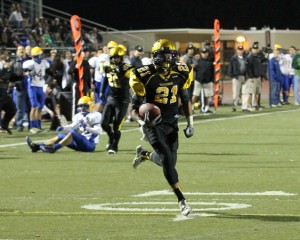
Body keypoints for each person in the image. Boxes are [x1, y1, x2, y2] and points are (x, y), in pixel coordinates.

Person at [129, 39, 194, 216]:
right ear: (154, 57)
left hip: (172, 121)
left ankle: (145, 154)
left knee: (170, 161)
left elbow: (186, 99)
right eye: (162, 56)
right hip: (153, 123)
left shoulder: (182, 72)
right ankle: (182, 200)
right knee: (166, 158)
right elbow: (133, 108)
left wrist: (190, 123)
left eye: (169, 56)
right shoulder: (144, 74)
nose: (166, 60)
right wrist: (143, 123)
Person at [26, 96, 102, 153]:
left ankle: (54, 148)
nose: (82, 108)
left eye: (84, 106)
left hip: (89, 144)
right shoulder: (79, 116)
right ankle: (37, 147)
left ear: (90, 105)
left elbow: (99, 131)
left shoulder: (95, 115)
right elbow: (72, 126)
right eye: (81, 106)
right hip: (80, 144)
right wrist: (63, 128)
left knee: (73, 133)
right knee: (61, 136)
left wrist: (88, 129)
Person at [100, 46, 133, 154]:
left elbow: (125, 85)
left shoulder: (126, 68)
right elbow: (105, 78)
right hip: (111, 97)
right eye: (114, 57)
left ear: (121, 58)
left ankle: (114, 146)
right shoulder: (107, 66)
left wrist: (119, 73)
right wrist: (101, 91)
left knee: (116, 125)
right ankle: (111, 138)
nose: (116, 59)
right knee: (103, 123)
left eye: (118, 57)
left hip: (122, 99)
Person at [23, 46, 50, 133]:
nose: (40, 57)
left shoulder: (44, 63)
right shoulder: (30, 63)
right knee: (34, 106)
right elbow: (24, 70)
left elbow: (48, 68)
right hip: (32, 86)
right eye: (39, 55)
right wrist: (28, 72)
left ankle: (38, 126)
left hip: (40, 86)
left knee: (40, 107)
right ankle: (32, 127)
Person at [192, 48, 215, 114]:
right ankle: (191, 108)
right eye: (203, 53)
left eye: (205, 53)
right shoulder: (198, 61)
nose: (204, 54)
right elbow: (195, 70)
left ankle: (206, 108)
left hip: (208, 82)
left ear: (207, 53)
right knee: (195, 95)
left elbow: (212, 73)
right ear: (201, 53)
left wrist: (212, 81)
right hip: (199, 81)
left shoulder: (210, 62)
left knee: (207, 96)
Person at [0, 56, 17, 134]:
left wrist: (22, 75)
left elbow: (14, 78)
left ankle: (4, 125)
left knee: (12, 109)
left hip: (4, 94)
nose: (8, 63)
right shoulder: (2, 70)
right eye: (6, 61)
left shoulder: (9, 70)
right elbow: (3, 77)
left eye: (9, 61)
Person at [227, 45, 246, 112]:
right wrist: (232, 75)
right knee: (236, 93)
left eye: (241, 50)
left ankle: (244, 106)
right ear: (237, 50)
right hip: (236, 77)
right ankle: (234, 106)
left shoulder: (245, 58)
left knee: (244, 92)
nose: (240, 51)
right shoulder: (233, 58)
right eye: (239, 50)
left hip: (244, 76)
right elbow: (230, 68)